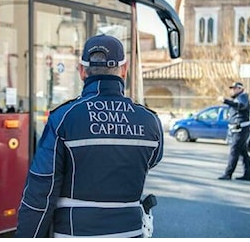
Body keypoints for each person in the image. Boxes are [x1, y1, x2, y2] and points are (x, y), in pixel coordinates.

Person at [14, 34, 164, 238]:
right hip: (131, 232)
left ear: (82, 71)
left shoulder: (63, 117)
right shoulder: (150, 121)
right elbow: (152, 160)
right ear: (125, 70)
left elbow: (41, 190)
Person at [217, 81, 250, 181]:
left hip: (240, 129)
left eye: (235, 88)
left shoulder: (243, 97)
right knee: (243, 153)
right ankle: (247, 174)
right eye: (232, 88)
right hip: (239, 129)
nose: (233, 90)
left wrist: (225, 101)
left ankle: (228, 173)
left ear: (240, 89)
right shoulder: (238, 98)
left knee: (234, 151)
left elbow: (240, 106)